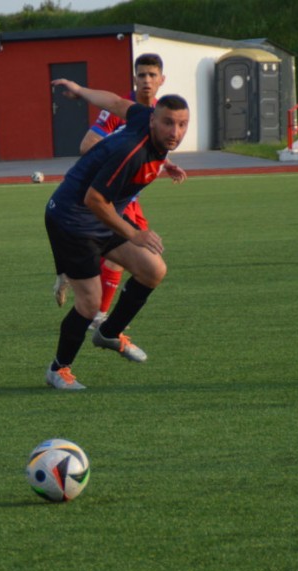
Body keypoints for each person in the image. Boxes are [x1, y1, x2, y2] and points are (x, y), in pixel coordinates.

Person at [44, 78, 189, 390]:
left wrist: (80, 91)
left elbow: (114, 102)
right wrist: (134, 234)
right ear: (153, 120)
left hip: (101, 217)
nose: (175, 132)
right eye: (168, 123)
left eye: (182, 125)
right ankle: (58, 369)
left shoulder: (145, 121)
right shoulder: (131, 152)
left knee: (153, 270)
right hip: (71, 220)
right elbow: (94, 200)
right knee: (90, 303)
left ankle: (109, 333)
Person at [54, 54, 186, 319]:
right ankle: (100, 317)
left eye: (152, 75)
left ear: (162, 80)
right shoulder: (121, 109)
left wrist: (166, 163)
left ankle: (91, 302)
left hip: (128, 198)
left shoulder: (161, 112)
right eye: (141, 75)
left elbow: (152, 148)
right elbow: (87, 145)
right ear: (134, 79)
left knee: (140, 259)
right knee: (127, 255)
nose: (146, 81)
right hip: (108, 195)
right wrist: (118, 158)